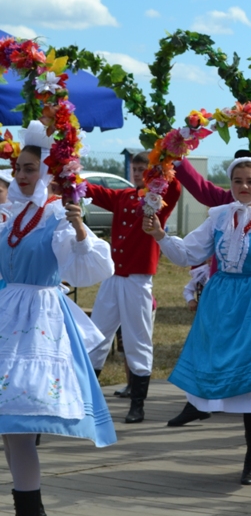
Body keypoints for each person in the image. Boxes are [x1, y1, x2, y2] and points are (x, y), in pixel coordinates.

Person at [142, 156, 251, 485]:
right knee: (231, 376)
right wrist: (162, 235)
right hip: (224, 303)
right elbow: (189, 254)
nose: (244, 187)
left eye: (250, 181)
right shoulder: (219, 217)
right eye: (237, 181)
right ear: (230, 184)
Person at [0, 121, 117, 516]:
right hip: (7, 313)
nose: (22, 175)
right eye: (18, 168)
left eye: (30, 168)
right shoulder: (9, 214)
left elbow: (89, 269)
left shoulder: (57, 215)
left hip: (39, 319)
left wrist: (81, 229)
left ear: (46, 171)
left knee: (19, 423)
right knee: (9, 426)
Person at [87, 152, 181, 423]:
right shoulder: (123, 196)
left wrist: (164, 164)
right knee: (96, 336)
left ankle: (137, 405)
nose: (138, 172)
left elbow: (174, 186)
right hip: (112, 277)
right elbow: (93, 191)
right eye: (136, 168)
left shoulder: (158, 198)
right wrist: (68, 175)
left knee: (137, 339)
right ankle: (89, 399)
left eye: (144, 169)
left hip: (138, 280)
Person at [167, 263, 213, 427]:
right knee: (203, 358)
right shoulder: (203, 274)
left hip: (226, 320)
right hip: (207, 320)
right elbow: (188, 289)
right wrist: (191, 300)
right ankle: (196, 404)